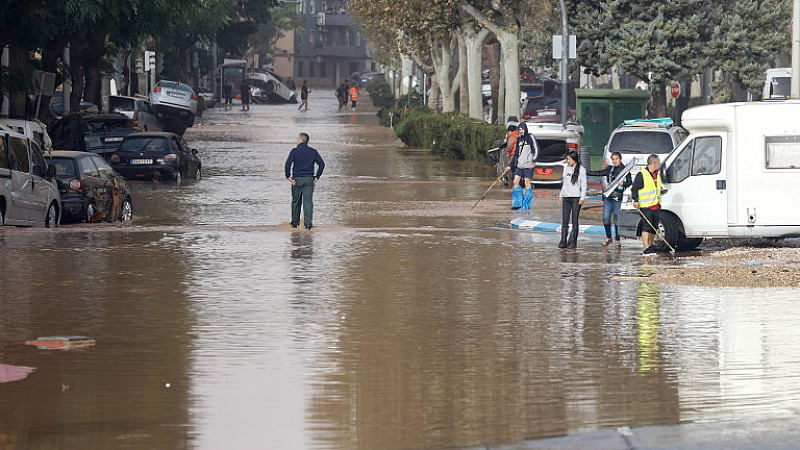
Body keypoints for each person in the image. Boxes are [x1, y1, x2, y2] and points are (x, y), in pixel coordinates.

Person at [586, 151, 632, 247]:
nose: (615, 161)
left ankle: (617, 239)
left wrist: (623, 184)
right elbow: (599, 173)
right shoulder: (610, 169)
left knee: (616, 219)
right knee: (606, 219)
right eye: (613, 159)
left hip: (618, 198)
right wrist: (585, 172)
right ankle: (608, 237)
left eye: (616, 159)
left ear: (620, 159)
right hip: (608, 198)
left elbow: (630, 182)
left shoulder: (625, 170)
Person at [285, 132, 325, 229]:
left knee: (296, 201)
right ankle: (308, 224)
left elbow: (287, 164)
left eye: (297, 139)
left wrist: (288, 176)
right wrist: (317, 176)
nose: (296, 141)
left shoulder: (294, 151)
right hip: (309, 179)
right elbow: (322, 164)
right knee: (308, 202)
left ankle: (295, 223)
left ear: (301, 140)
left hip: (297, 179)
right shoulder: (313, 151)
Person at [632, 154, 662, 255]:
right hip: (645, 205)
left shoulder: (657, 174)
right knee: (646, 226)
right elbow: (634, 188)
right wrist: (635, 200)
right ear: (654, 163)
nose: (659, 165)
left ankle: (650, 245)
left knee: (654, 226)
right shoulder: (642, 174)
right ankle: (646, 248)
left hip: (656, 205)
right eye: (658, 163)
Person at [504, 122, 538, 210]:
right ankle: (517, 204)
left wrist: (533, 161)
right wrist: (510, 166)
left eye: (522, 129)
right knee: (515, 182)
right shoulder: (519, 140)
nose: (521, 131)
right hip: (519, 165)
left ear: (525, 129)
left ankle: (526, 205)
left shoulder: (531, 137)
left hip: (528, 165)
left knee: (527, 183)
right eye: (519, 130)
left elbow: (536, 150)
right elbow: (515, 154)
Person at [558, 151, 587, 249]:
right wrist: (561, 195)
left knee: (574, 220)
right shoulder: (567, 168)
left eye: (569, 159)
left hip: (576, 198)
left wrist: (582, 197)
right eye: (567, 159)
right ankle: (563, 240)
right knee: (565, 221)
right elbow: (565, 183)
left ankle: (573, 241)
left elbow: (583, 185)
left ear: (574, 159)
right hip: (566, 197)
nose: (567, 161)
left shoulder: (581, 170)